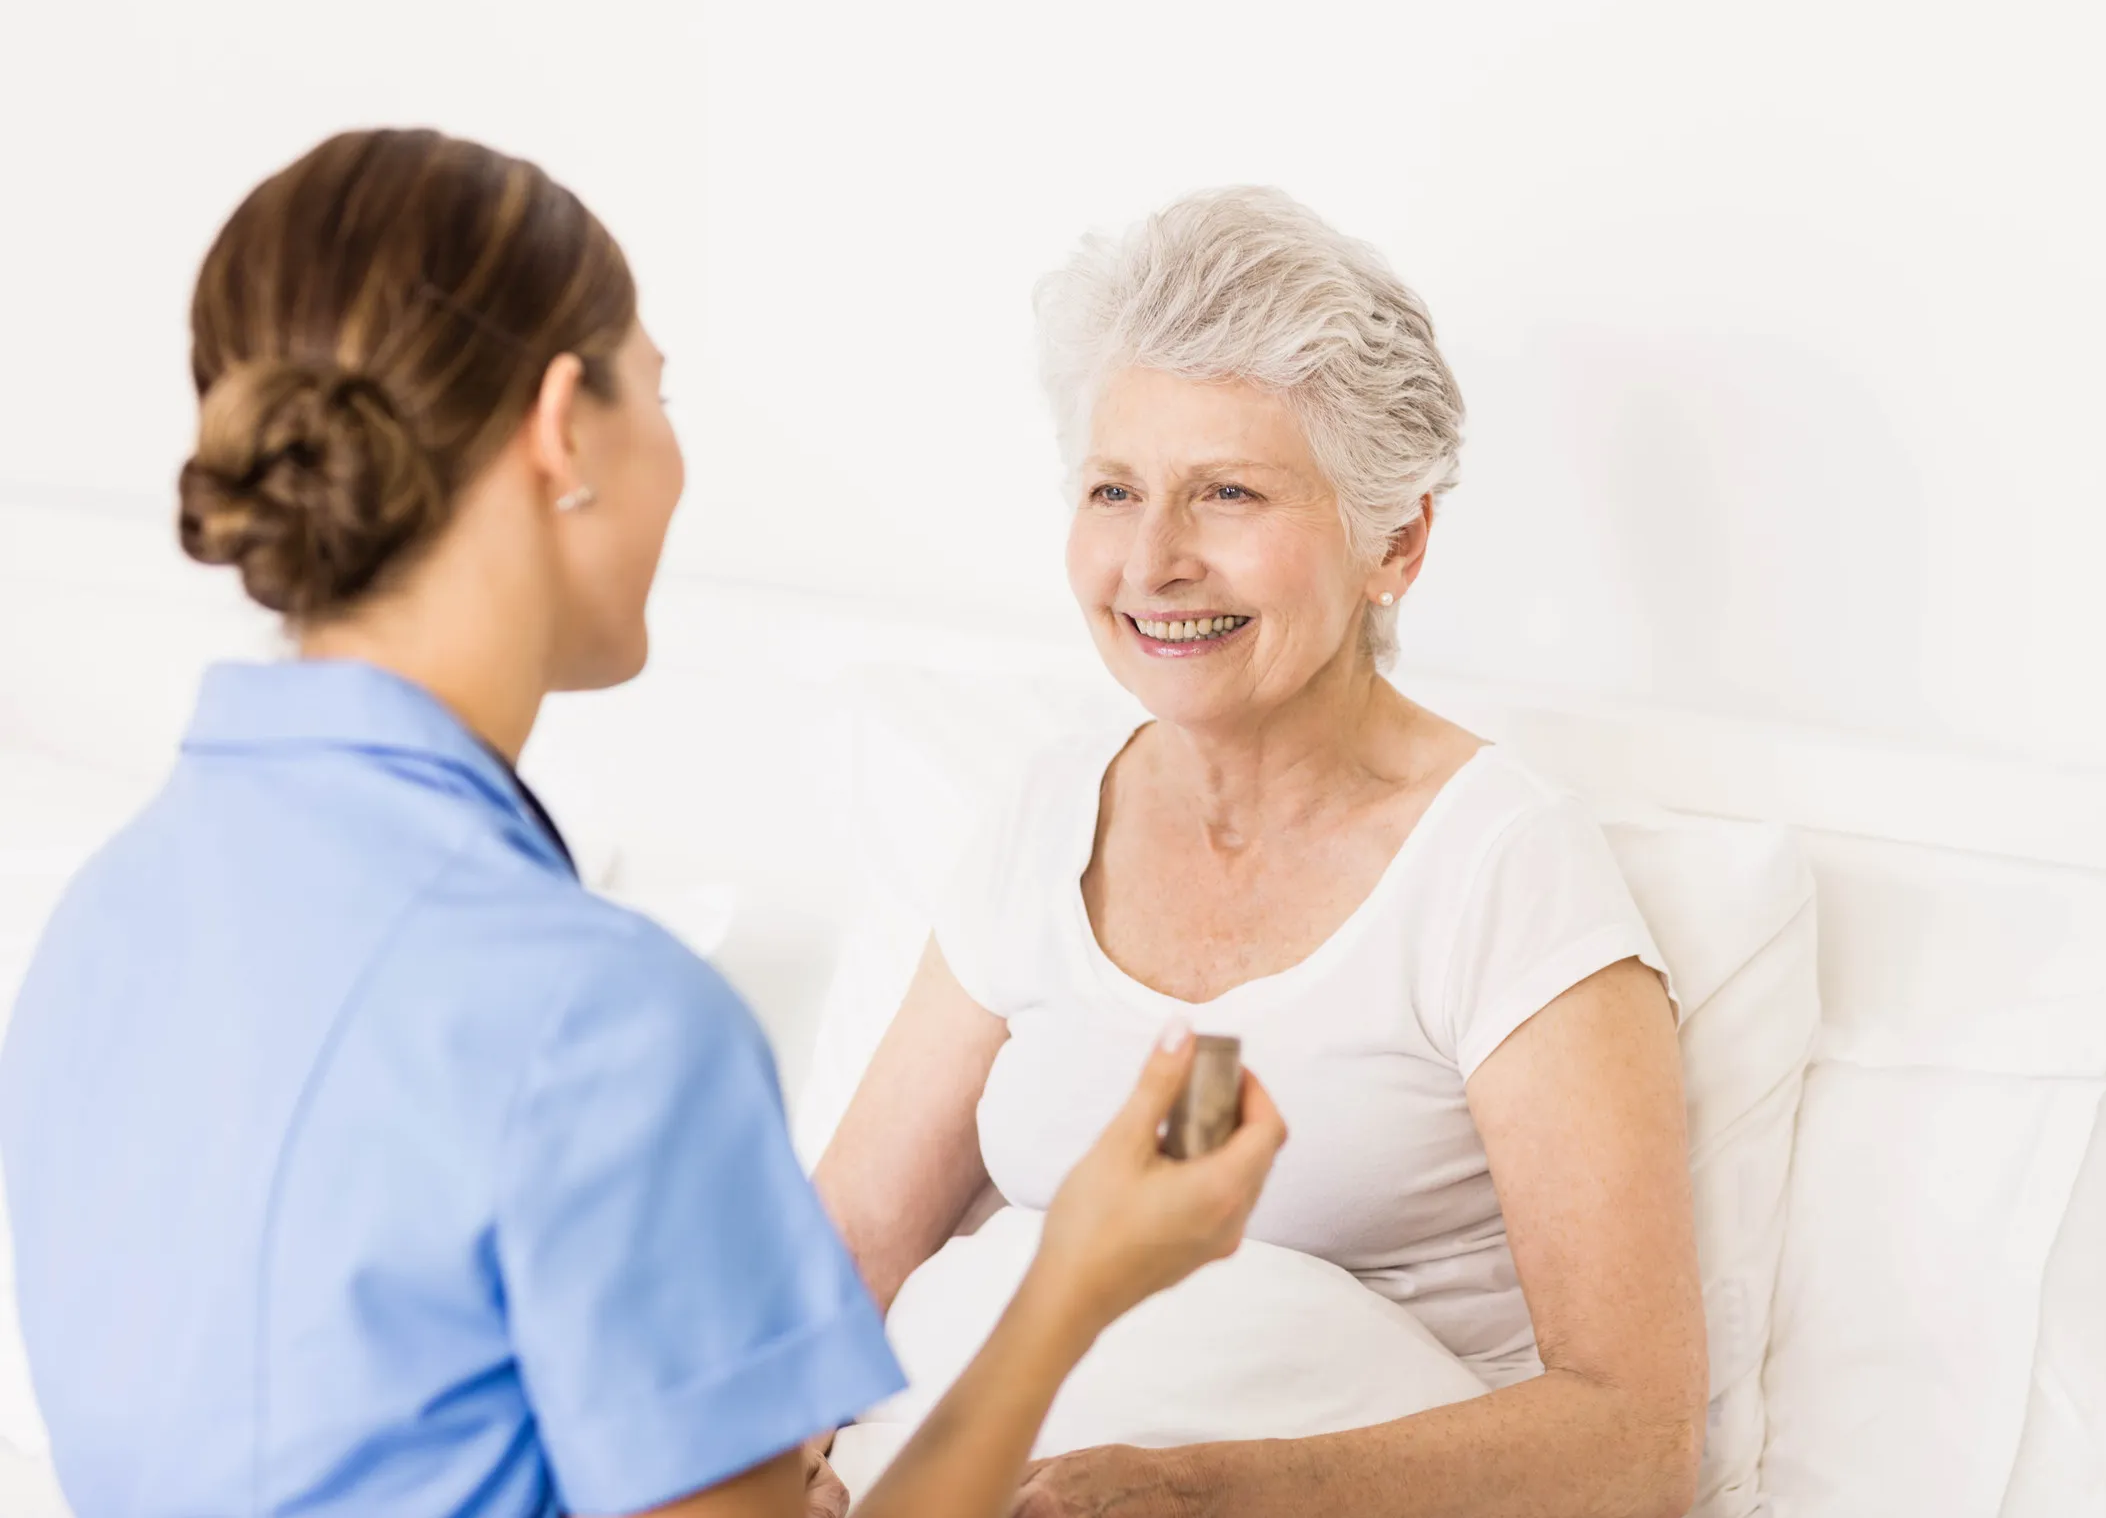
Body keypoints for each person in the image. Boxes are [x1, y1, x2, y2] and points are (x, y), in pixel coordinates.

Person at [0, 129, 1284, 1518]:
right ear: (564, 427)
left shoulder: (104, 918)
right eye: (658, 396)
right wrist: (1073, 1284)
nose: (675, 463)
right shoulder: (604, 1024)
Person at [816, 188, 1709, 1518]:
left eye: (1225, 493)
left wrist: (1199, 1494)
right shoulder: (1047, 817)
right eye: (1113, 489)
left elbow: (1638, 1440)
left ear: (1394, 541)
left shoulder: (1501, 867)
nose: (1154, 560)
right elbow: (821, 1275)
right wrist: (773, 1474)